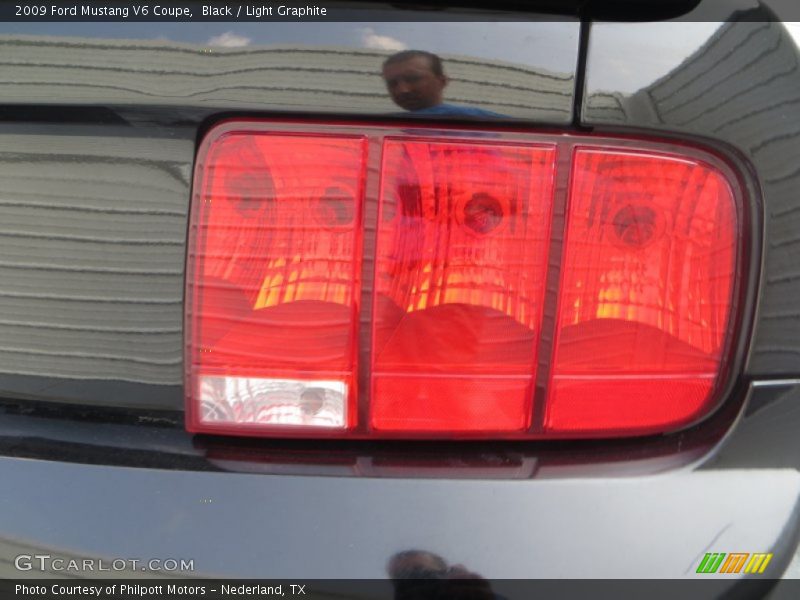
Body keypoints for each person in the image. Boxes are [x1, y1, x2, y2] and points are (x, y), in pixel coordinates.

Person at [382, 50, 503, 117]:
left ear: (442, 82)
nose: (402, 89)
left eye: (413, 79)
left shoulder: (472, 118)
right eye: (392, 83)